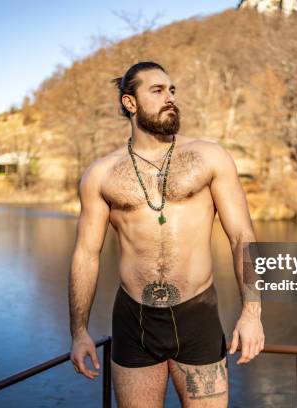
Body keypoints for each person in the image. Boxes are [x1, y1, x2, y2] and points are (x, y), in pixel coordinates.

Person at [68, 61, 264, 407]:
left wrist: (251, 313)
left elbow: (241, 238)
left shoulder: (209, 157)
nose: (169, 98)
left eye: (172, 90)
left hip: (198, 316)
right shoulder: (100, 175)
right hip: (134, 321)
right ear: (130, 103)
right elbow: (86, 254)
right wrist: (79, 331)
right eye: (157, 91)